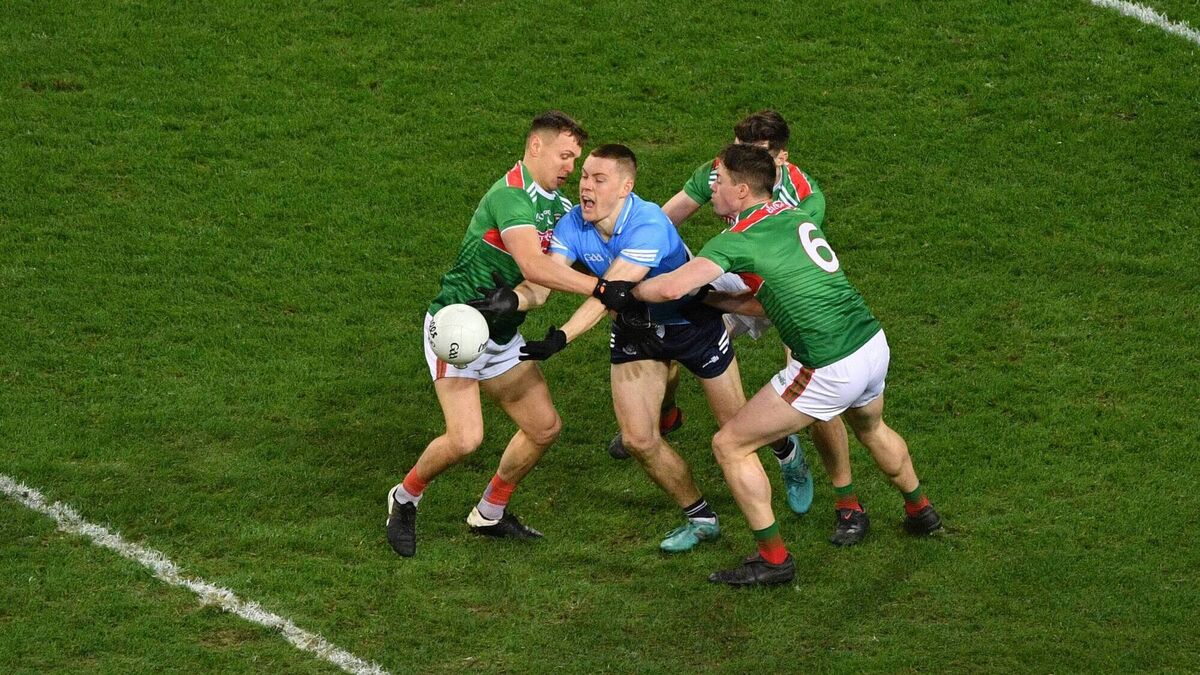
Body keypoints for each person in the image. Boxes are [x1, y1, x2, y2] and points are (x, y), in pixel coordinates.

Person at [597, 143, 943, 586]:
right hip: (870, 344)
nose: (712, 188)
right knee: (872, 428)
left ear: (741, 190)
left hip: (828, 364)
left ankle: (773, 559)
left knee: (729, 445)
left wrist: (622, 292)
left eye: (720, 181)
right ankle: (920, 510)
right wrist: (717, 300)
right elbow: (768, 302)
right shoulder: (794, 215)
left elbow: (670, 289)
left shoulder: (738, 238)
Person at [481, 143, 750, 552]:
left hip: (692, 323)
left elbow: (612, 290)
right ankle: (701, 518)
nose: (585, 186)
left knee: (737, 429)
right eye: (585, 176)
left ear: (626, 187)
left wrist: (562, 337)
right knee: (639, 439)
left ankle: (786, 450)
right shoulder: (573, 224)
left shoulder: (649, 223)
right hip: (635, 329)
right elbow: (545, 281)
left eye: (598, 179)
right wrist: (514, 300)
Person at [385, 111, 602, 558]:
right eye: (564, 155)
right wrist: (603, 288)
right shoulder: (510, 196)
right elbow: (535, 267)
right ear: (536, 146)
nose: (570, 167)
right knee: (465, 439)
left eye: (575, 160)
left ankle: (489, 512)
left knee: (543, 428)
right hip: (458, 329)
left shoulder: (562, 211)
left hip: (502, 336)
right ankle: (404, 498)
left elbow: (545, 287)